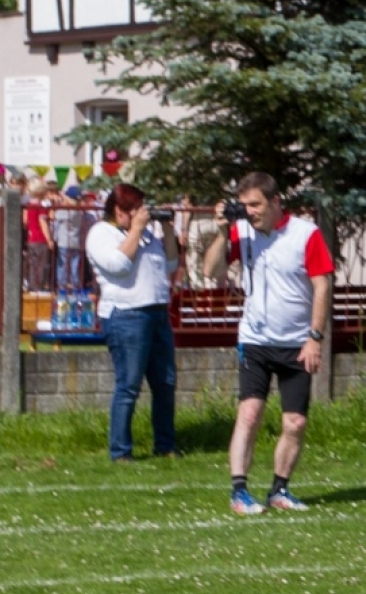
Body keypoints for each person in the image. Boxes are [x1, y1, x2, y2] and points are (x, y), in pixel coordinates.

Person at [201, 172, 335, 515]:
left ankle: (280, 489)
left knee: (295, 422)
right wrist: (222, 232)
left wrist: (314, 337)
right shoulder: (241, 231)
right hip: (255, 340)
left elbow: (321, 285)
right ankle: (239, 492)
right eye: (244, 205)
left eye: (255, 204)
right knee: (249, 412)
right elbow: (210, 271)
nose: (250, 211)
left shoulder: (305, 233)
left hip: (296, 343)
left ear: (276, 201)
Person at [84, 182, 180, 461]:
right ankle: (121, 451)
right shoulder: (101, 233)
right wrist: (136, 230)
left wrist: (168, 230)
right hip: (126, 315)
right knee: (129, 385)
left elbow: (171, 264)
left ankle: (165, 445)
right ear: (119, 210)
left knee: (165, 383)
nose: (141, 214)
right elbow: (119, 266)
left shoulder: (147, 234)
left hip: (157, 312)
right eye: (134, 209)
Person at [51, 184, 87, 291]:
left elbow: (53, 215)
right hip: (76, 242)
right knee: (74, 265)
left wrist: (57, 203)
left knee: (63, 265)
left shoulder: (66, 211)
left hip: (64, 242)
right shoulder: (79, 211)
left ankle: (62, 285)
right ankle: (74, 284)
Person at [23, 177, 53, 292]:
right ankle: (37, 286)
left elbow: (25, 221)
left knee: (33, 264)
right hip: (40, 238)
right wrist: (49, 239)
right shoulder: (41, 206)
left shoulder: (28, 205)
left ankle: (31, 285)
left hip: (31, 238)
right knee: (40, 265)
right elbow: (42, 222)